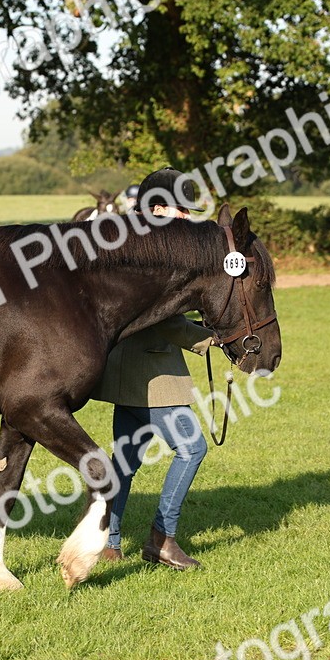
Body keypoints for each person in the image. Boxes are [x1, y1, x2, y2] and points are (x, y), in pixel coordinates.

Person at [93, 168, 214, 569]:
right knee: (192, 448)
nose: (185, 217)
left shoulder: (131, 243)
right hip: (152, 376)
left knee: (125, 460)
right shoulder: (154, 253)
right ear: (157, 207)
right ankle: (162, 539)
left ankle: (108, 541)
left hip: (125, 371)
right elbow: (162, 317)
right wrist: (208, 339)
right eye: (179, 209)